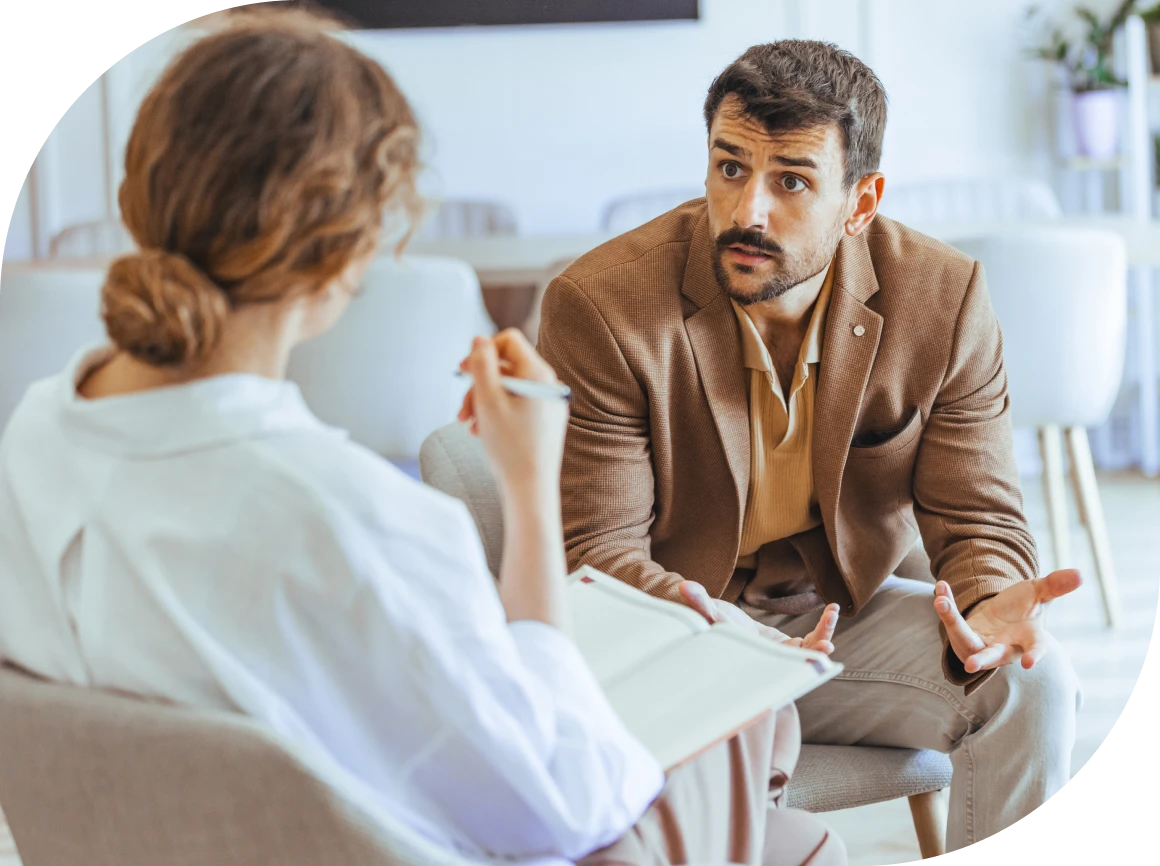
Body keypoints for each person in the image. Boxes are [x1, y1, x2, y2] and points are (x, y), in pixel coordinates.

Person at [0, 9, 845, 866]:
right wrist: (526, 484)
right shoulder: (350, 521)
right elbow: (568, 808)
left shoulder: (32, 442)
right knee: (743, 709)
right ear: (348, 253)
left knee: (784, 816)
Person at [536, 39, 1083, 855]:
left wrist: (989, 601)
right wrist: (727, 642)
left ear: (861, 202)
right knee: (742, 718)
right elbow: (598, 548)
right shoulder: (603, 305)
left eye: (791, 180)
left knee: (1035, 687)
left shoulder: (942, 299)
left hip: (839, 619)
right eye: (729, 168)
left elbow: (980, 517)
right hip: (675, 629)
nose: (748, 210)